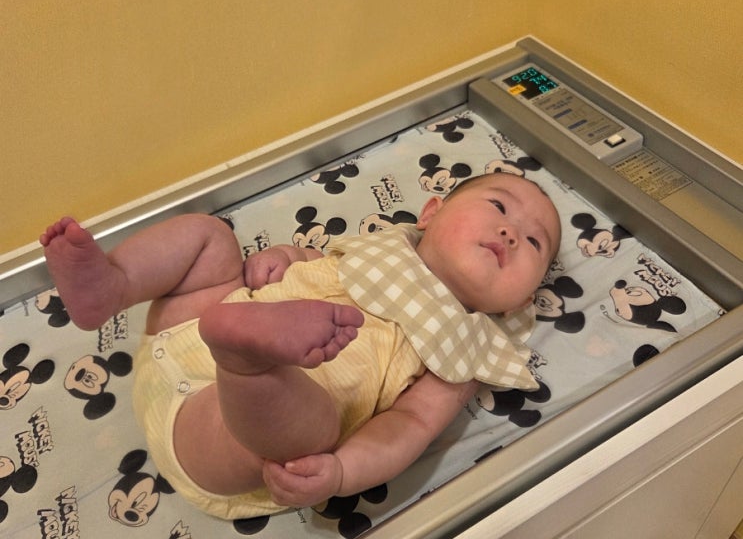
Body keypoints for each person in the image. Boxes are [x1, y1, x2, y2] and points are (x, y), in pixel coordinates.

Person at [40, 172, 561, 519]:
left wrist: (343, 472)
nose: (509, 233)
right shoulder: (385, 245)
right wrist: (285, 257)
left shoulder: (466, 348)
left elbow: (410, 427)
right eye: (498, 206)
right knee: (209, 236)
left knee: (315, 428)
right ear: (429, 213)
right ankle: (113, 284)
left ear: (523, 297)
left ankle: (248, 363)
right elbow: (316, 259)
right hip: (191, 328)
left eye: (534, 242)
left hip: (222, 433)